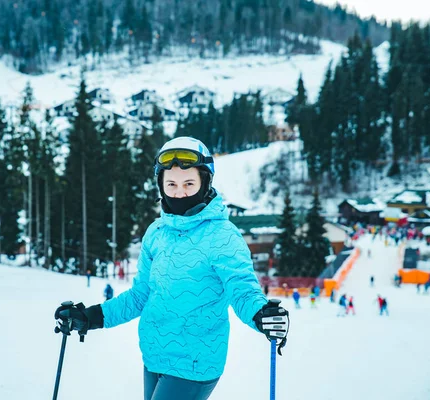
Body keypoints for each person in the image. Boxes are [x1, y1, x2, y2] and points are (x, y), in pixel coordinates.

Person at [53, 137, 289, 400]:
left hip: (195, 363)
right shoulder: (156, 233)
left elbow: (242, 290)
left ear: (204, 183)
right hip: (154, 358)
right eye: (171, 184)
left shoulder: (223, 236)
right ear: (161, 186)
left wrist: (261, 313)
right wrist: (90, 317)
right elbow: (139, 296)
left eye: (189, 184)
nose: (179, 193)